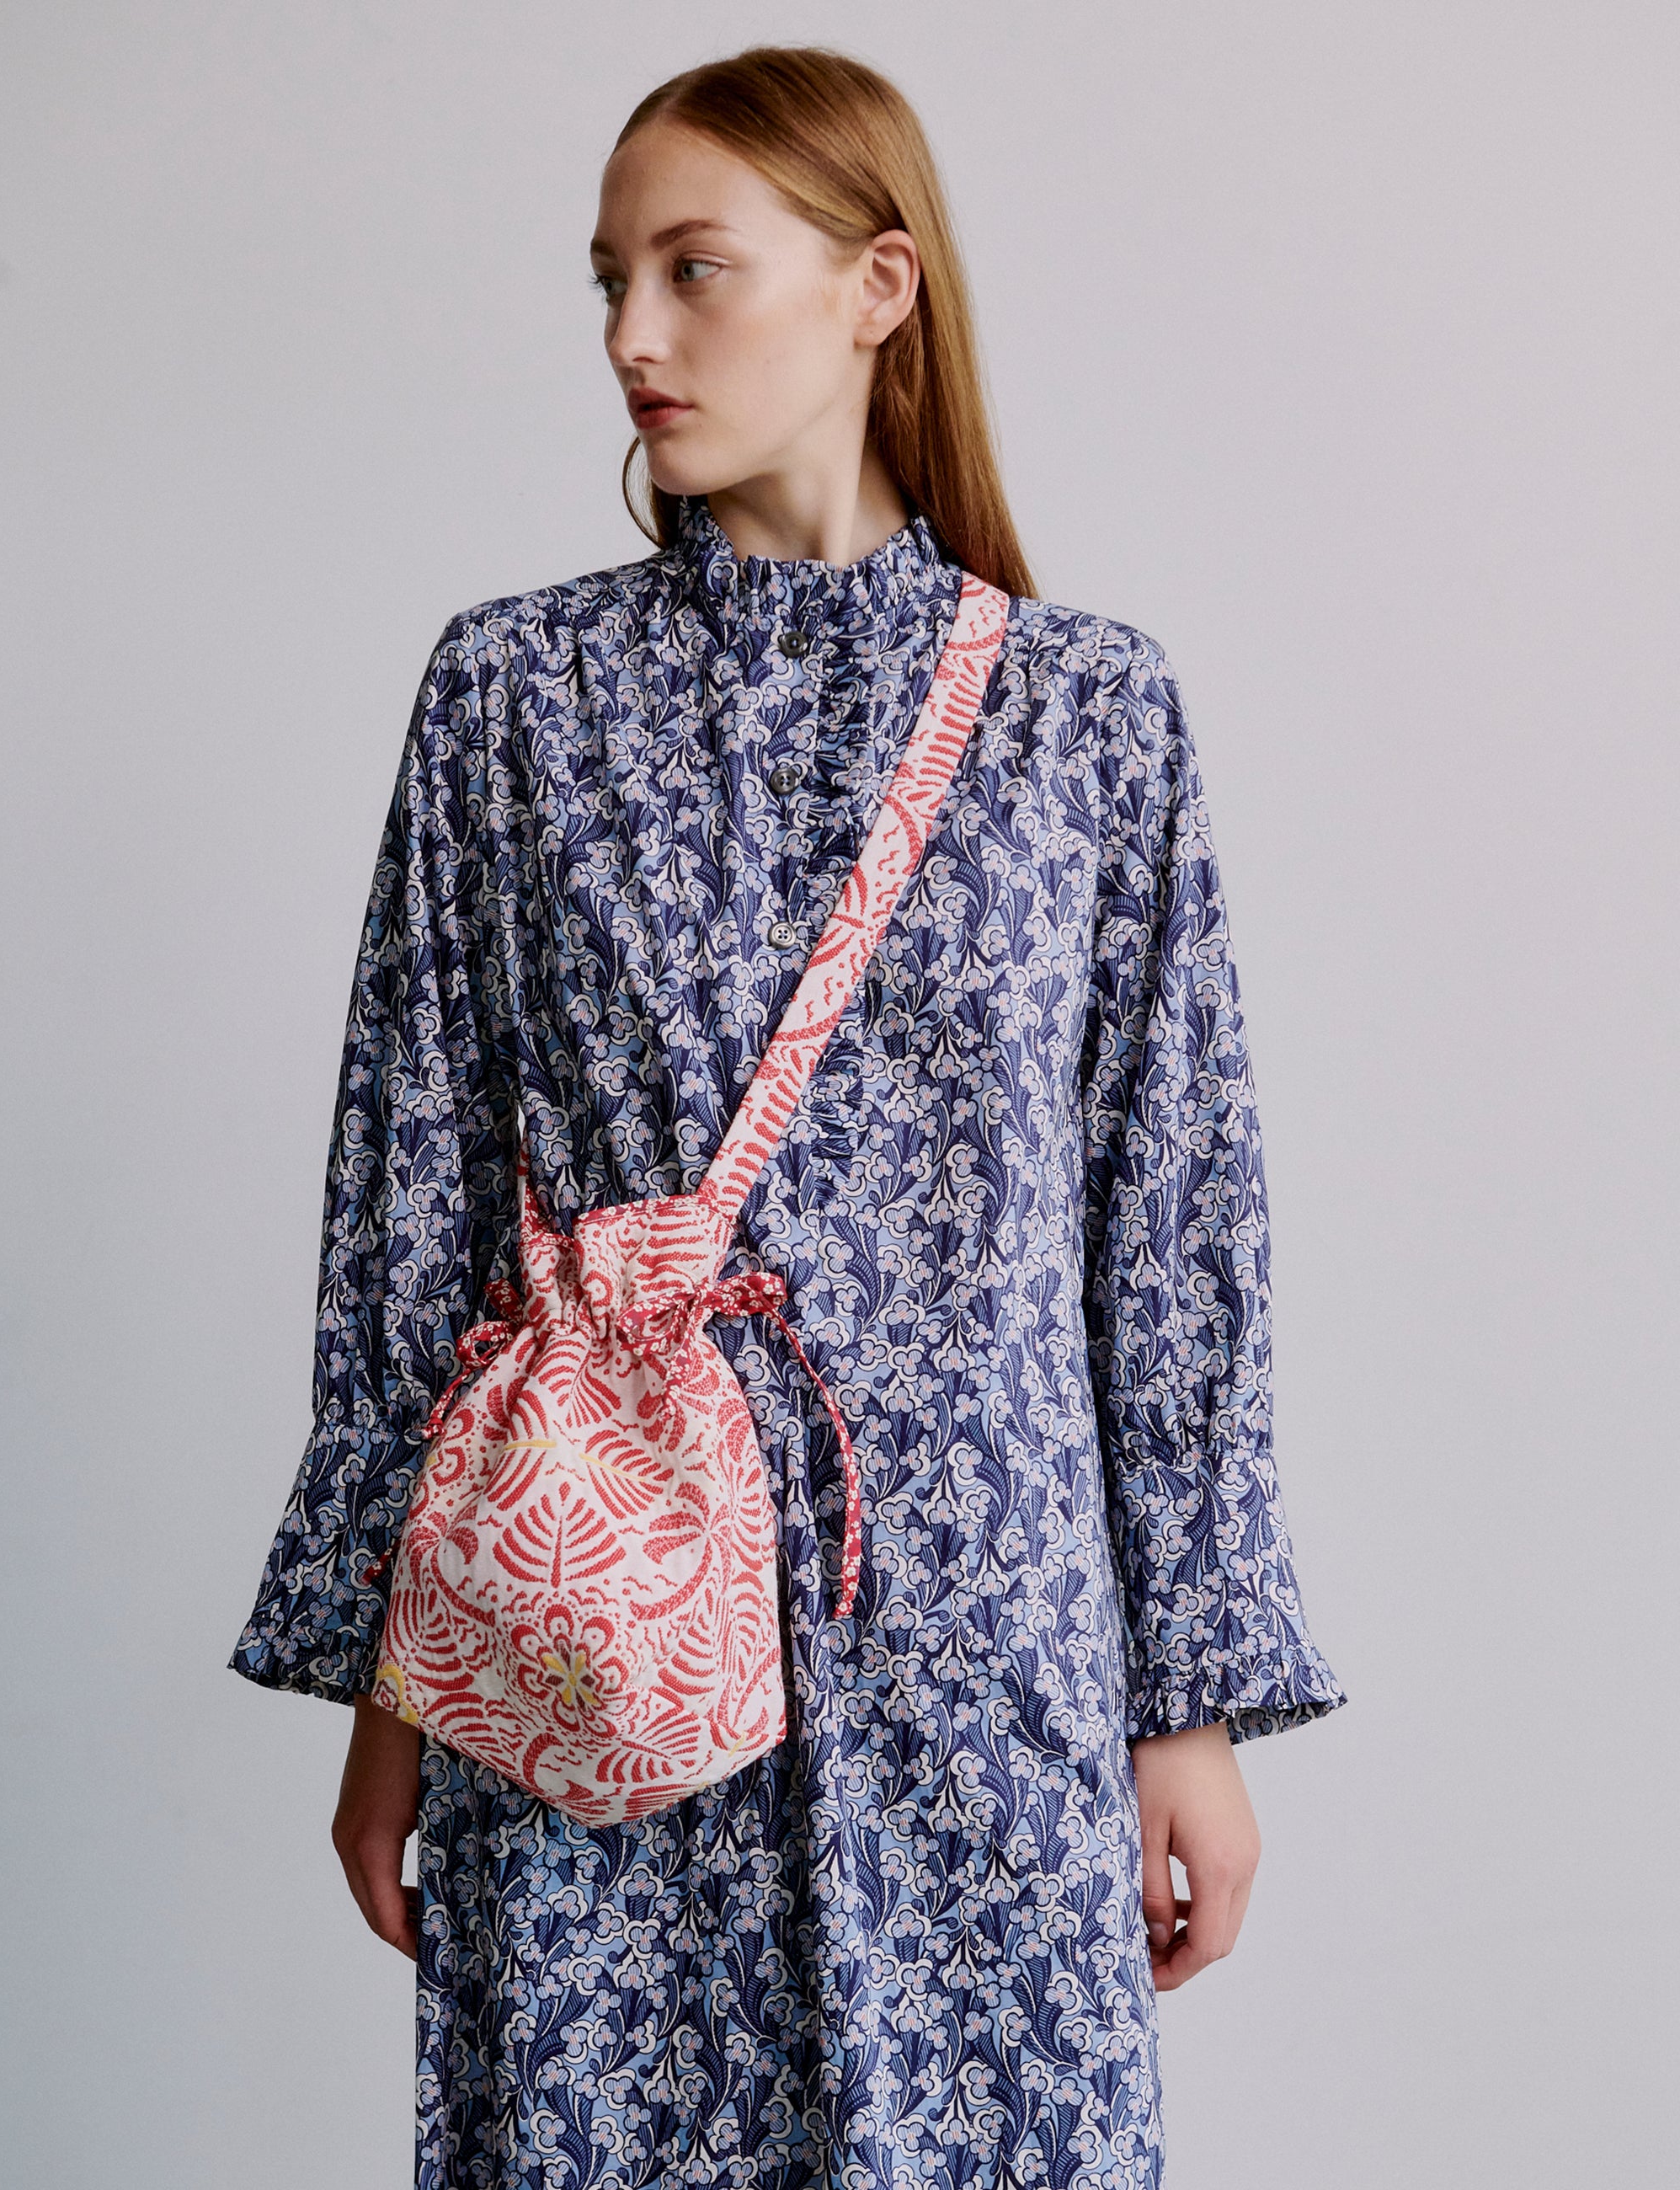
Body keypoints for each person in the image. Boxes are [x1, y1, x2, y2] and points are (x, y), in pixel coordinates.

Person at [231, 43, 1345, 2190]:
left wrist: (1184, 1707)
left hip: (988, 1672)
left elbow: (1172, 1228)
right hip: (587, 1676)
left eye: (694, 269)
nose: (634, 335)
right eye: (606, 282)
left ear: (876, 288)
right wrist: (395, 1688)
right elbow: (411, 1211)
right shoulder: (508, 696)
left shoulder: (1092, 715)